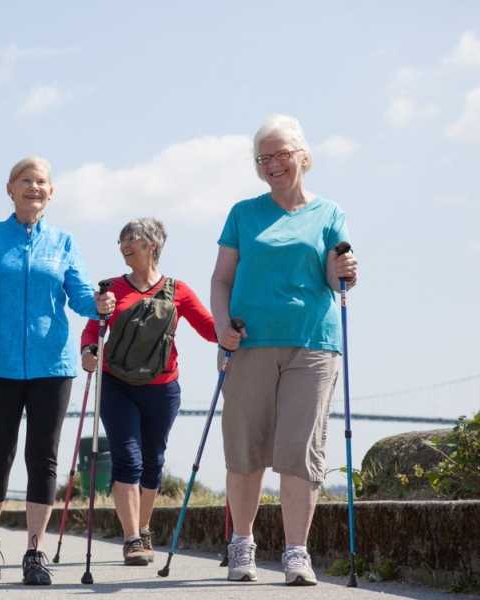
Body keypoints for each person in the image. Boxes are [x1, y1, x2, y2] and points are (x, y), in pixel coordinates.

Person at [211, 114, 359, 586]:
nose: (273, 164)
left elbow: (337, 277)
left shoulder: (330, 213)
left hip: (313, 344)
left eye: (282, 154)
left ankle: (297, 552)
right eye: (264, 158)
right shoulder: (242, 213)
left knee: (299, 451)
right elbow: (221, 279)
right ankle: (242, 543)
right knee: (246, 450)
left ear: (303, 157)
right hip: (249, 341)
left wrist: (347, 270)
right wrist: (220, 327)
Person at [0, 156, 115, 586]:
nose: (34, 187)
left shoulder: (63, 241)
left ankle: (34, 549)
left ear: (52, 191)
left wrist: (99, 304)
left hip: (52, 363)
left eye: (41, 181)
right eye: (25, 180)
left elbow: (80, 295)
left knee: (43, 457)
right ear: (9, 188)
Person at [80, 218, 217, 566]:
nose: (124, 245)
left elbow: (209, 328)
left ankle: (142, 528)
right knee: (129, 458)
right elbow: (92, 330)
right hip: (116, 384)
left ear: (152, 245)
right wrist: (88, 353)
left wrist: (241, 324)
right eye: (121, 240)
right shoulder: (110, 289)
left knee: (153, 461)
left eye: (132, 240)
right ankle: (131, 539)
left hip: (162, 388)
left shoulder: (178, 290)